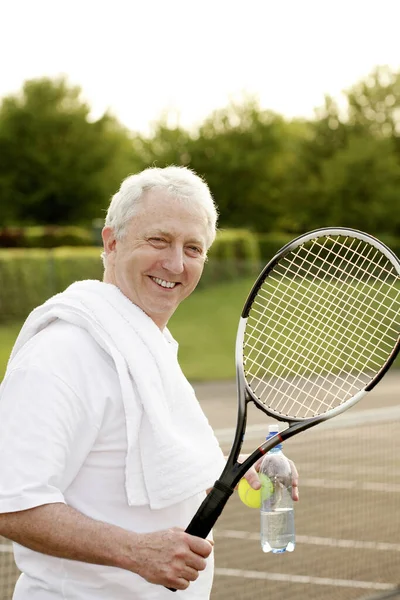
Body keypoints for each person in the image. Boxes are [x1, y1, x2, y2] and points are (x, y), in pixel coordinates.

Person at [0, 166, 299, 599]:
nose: (175, 263)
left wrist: (235, 467)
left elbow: (139, 453)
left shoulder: (146, 344)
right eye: (158, 240)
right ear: (111, 242)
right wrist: (135, 551)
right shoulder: (60, 355)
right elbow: (11, 502)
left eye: (193, 248)